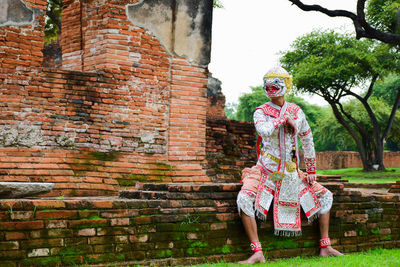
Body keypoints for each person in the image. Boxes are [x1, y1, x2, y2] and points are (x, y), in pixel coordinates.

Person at [236, 65, 343, 264]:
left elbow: (307, 139)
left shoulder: (297, 111)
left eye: (276, 82)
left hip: (292, 172)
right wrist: (282, 120)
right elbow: (264, 131)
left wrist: (311, 170)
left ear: (286, 85)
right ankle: (257, 251)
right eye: (267, 82)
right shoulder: (261, 112)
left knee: (326, 197)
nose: (271, 86)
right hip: (266, 170)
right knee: (243, 199)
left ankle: (325, 246)